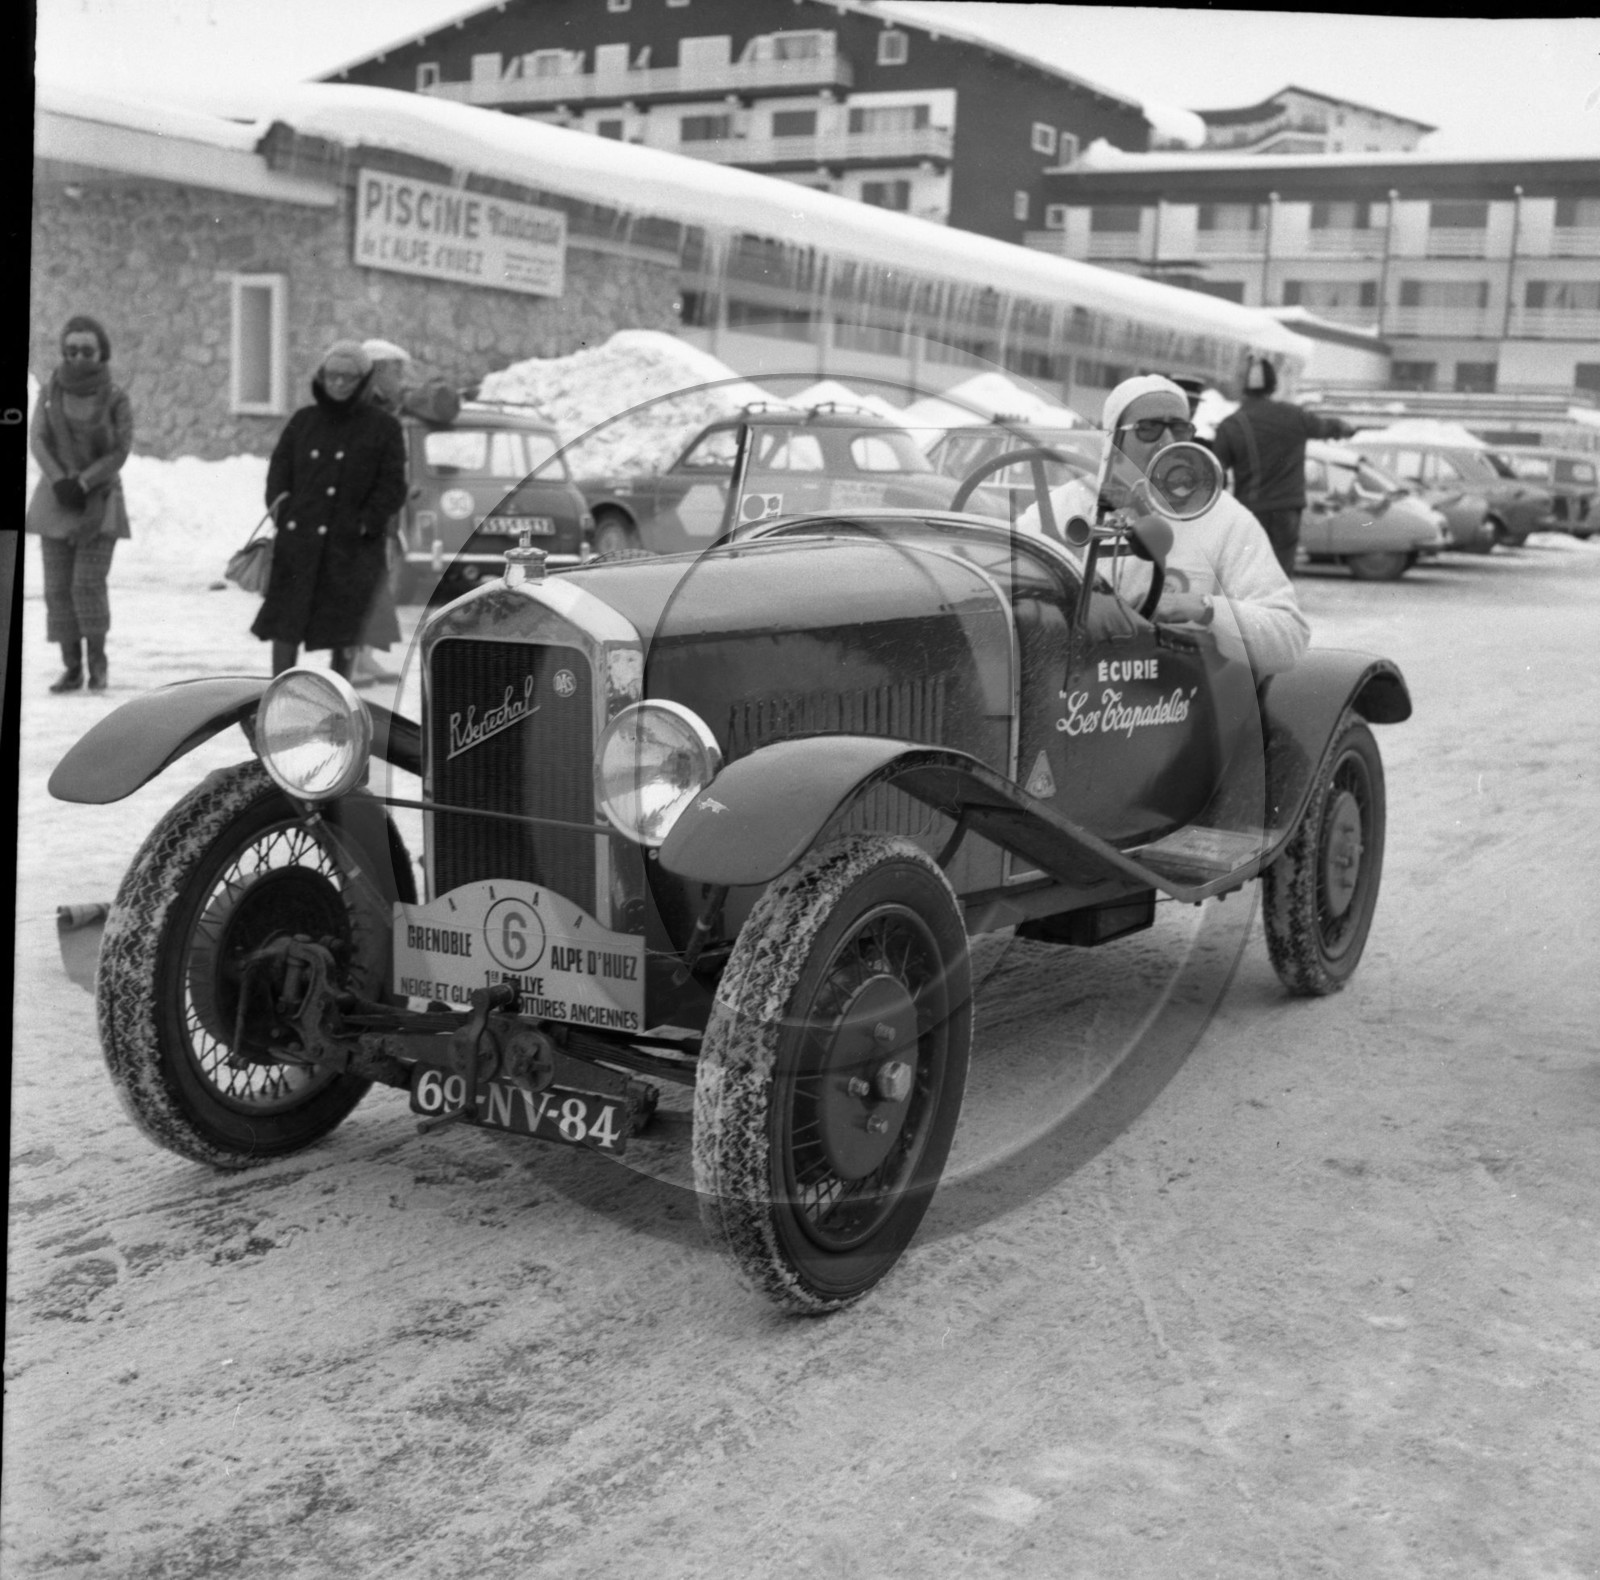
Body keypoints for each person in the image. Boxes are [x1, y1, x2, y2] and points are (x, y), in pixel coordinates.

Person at [1019, 374, 1309, 680]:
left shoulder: (1224, 517)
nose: (1168, 442)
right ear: (1113, 437)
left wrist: (1204, 608)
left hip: (1180, 701)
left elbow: (1289, 637)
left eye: (1180, 428)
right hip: (1079, 688)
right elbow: (1010, 582)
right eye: (1149, 428)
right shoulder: (1065, 506)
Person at [252, 340, 407, 680]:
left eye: (348, 378)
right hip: (299, 547)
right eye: (332, 376)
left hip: (350, 552)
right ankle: (281, 696)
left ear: (364, 381)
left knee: (345, 635)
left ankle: (338, 705)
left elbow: (392, 486)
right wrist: (285, 514)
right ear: (322, 377)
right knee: (285, 629)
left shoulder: (383, 428)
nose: (338, 384)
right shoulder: (304, 421)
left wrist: (365, 525)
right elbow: (279, 474)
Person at [26, 315, 134, 692]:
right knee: (57, 587)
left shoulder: (116, 396)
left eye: (86, 350)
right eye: (71, 350)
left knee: (86, 584)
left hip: (99, 499)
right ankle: (71, 667)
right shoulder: (51, 392)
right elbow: (37, 438)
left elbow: (121, 448)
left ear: (101, 351)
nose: (78, 358)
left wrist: (86, 480)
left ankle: (97, 665)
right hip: (57, 499)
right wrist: (60, 480)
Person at [1211, 358, 1353, 577]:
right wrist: (1343, 428)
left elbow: (1215, 469)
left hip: (1251, 509)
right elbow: (1326, 427)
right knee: (1280, 572)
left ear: (1243, 387)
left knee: (1249, 569)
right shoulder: (1295, 415)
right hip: (1287, 509)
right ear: (1273, 385)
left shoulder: (1232, 424)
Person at [346, 337, 413, 687]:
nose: (400, 378)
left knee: (375, 587)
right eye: (395, 371)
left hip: (382, 512)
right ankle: (351, 662)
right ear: (379, 371)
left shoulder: (384, 404)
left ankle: (365, 656)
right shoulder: (362, 406)